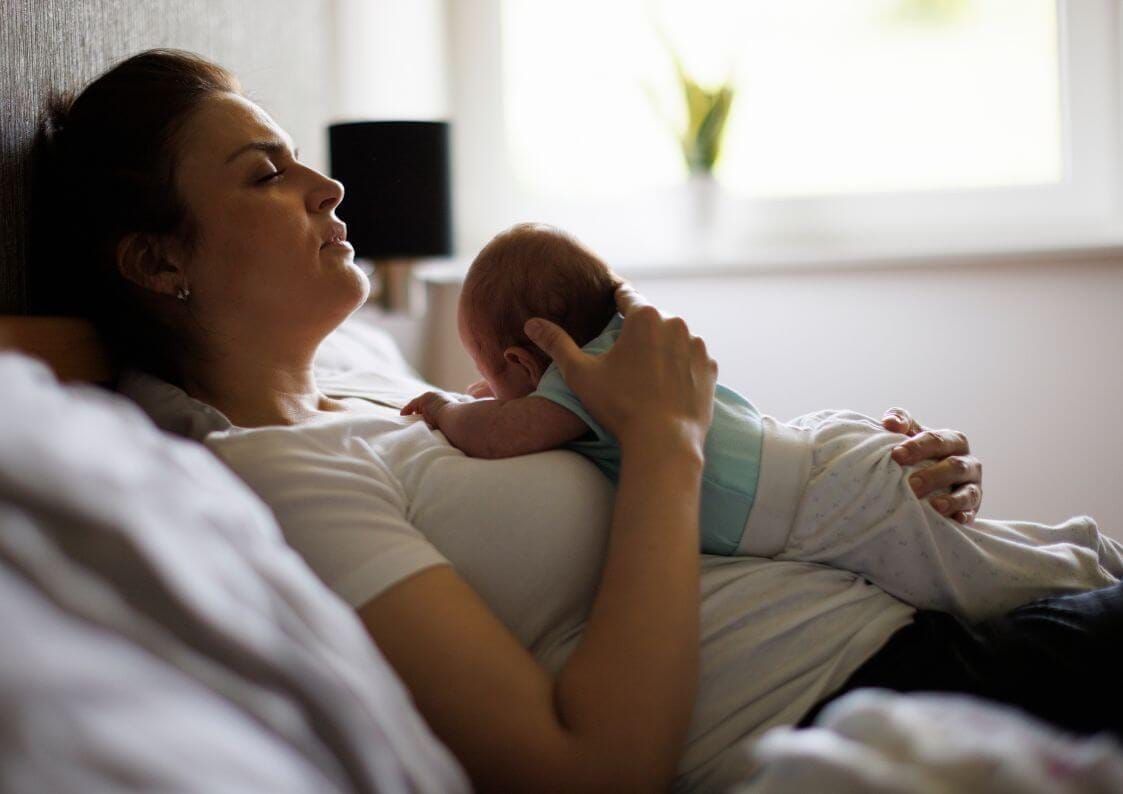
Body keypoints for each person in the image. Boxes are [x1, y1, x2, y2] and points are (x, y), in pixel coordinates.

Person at [36, 48, 1122, 792]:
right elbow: (586, 768)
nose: (327, 186)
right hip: (864, 695)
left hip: (921, 625)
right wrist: (666, 442)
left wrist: (881, 483)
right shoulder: (278, 476)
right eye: (266, 174)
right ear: (159, 262)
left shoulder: (373, 400)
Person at [402, 223, 1123, 622]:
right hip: (817, 453)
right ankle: (1081, 546)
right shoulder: (629, 347)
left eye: (491, 374)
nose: (492, 394)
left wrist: (444, 408)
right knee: (978, 554)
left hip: (818, 498)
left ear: (520, 361)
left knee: (979, 584)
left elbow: (499, 435)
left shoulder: (576, 383)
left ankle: (1084, 564)